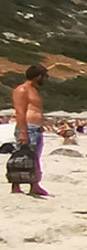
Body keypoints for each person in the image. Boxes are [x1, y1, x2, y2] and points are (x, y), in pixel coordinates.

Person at [11, 64, 49, 196]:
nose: (46, 79)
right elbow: (20, 112)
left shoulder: (34, 90)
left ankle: (34, 184)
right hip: (28, 127)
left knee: (34, 157)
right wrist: (23, 132)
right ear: (38, 76)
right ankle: (16, 185)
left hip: (36, 128)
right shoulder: (22, 90)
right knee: (22, 156)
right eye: (45, 76)